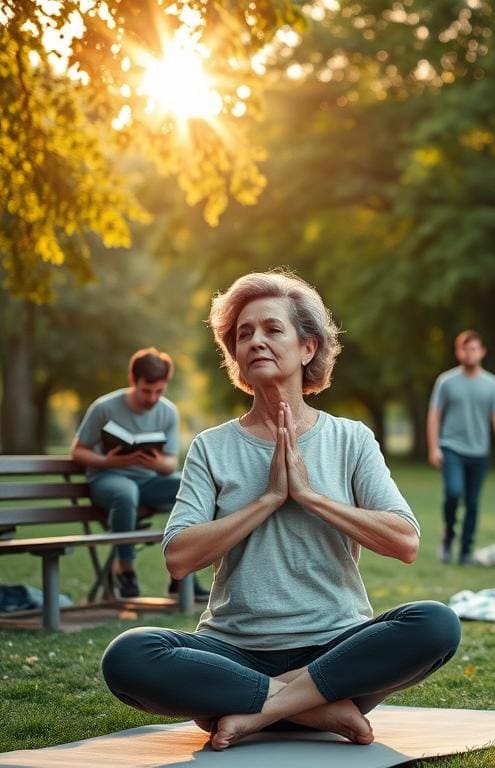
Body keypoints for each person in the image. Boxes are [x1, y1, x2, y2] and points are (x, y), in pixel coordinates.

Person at [100, 271, 460, 751]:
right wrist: (268, 498)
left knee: (436, 623)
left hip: (336, 650)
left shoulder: (350, 439)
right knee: (129, 655)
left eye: (272, 329)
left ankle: (261, 710)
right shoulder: (211, 447)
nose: (255, 342)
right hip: (233, 654)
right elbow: (178, 557)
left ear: (308, 347)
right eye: (244, 334)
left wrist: (310, 497)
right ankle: (313, 708)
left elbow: (405, 541)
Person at [72, 348, 195, 599]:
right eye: (146, 391)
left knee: (190, 486)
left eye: (159, 391)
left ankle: (181, 572)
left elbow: (170, 463)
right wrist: (109, 461)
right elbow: (79, 451)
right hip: (108, 478)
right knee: (126, 493)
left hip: (149, 479)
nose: (152, 398)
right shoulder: (104, 408)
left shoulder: (168, 411)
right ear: (132, 380)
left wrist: (154, 463)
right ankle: (124, 569)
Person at [426, 331, 495, 565]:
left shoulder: (492, 384)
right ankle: (448, 536)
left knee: (472, 502)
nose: (469, 353)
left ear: (482, 351)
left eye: (473, 349)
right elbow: (434, 416)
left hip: (479, 452)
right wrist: (434, 448)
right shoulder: (446, 381)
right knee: (453, 492)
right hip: (452, 447)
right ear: (457, 352)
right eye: (464, 349)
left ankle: (465, 551)